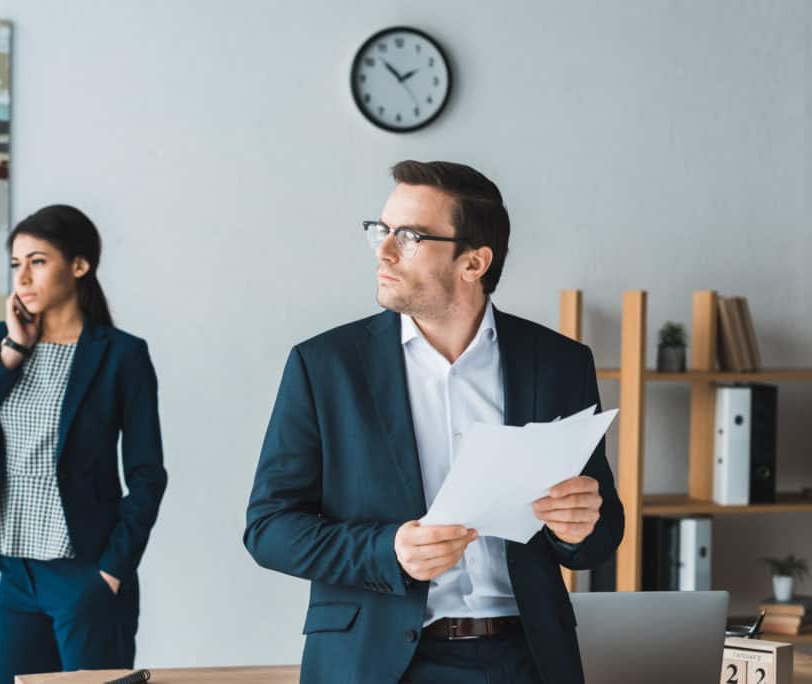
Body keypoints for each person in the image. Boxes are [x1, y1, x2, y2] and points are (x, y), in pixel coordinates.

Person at [244, 161, 624, 684]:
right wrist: (388, 550)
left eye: (409, 236)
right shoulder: (324, 366)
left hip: (527, 660)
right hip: (378, 664)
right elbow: (268, 529)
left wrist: (580, 528)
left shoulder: (559, 363)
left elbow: (602, 533)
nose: (384, 250)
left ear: (473, 263)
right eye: (381, 231)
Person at [0, 205, 167, 683]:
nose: (22, 276)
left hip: (85, 573)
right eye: (16, 263)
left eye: (38, 261)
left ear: (79, 265)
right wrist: (12, 353)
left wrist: (111, 570)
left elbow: (149, 475)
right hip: (18, 573)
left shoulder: (122, 355)